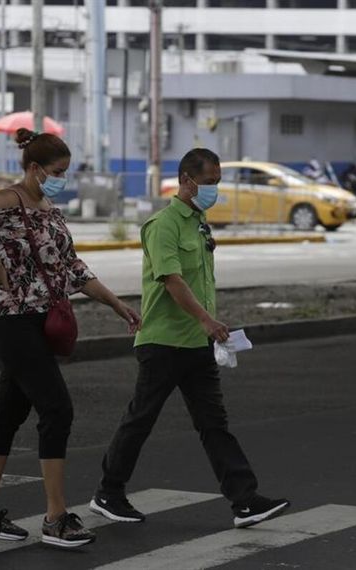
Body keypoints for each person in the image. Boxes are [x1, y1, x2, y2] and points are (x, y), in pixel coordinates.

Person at [0, 128, 141, 549]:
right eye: (58, 171)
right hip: (8, 320)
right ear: (35, 168)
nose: (62, 179)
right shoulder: (6, 201)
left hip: (39, 320)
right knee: (56, 408)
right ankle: (55, 517)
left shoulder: (49, 210)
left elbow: (73, 267)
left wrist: (116, 304)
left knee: (7, 414)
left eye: (65, 171)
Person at [90, 148, 290, 530]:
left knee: (214, 424)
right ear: (186, 180)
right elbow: (172, 280)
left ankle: (244, 501)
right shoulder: (163, 225)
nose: (214, 189)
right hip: (164, 341)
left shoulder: (199, 224)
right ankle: (108, 493)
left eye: (217, 182)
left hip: (198, 343)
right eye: (209, 182)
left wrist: (207, 327)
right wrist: (206, 320)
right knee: (140, 419)